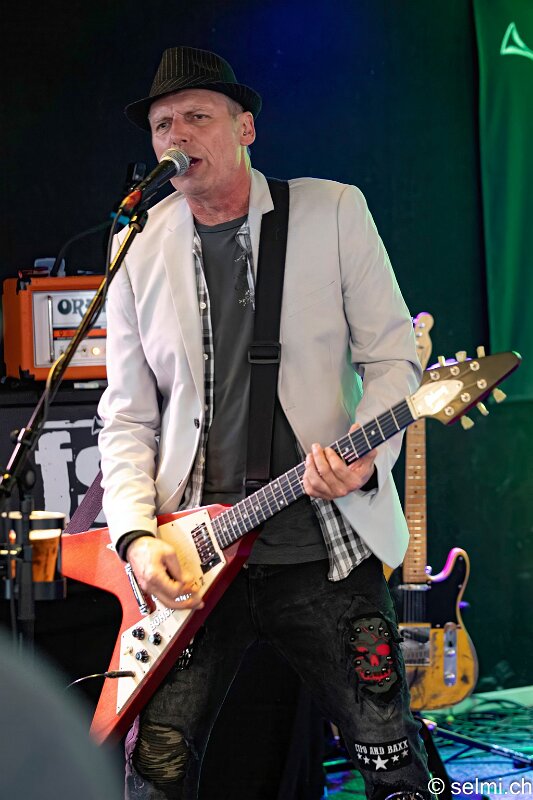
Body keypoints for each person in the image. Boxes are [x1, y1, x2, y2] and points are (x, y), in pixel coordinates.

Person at [98, 46, 431, 800]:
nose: (177, 135)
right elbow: (125, 413)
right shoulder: (136, 245)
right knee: (155, 770)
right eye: (162, 125)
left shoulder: (333, 211)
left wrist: (366, 457)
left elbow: (392, 360)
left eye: (197, 116)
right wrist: (136, 537)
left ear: (245, 127)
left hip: (325, 548)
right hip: (192, 558)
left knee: (391, 762)